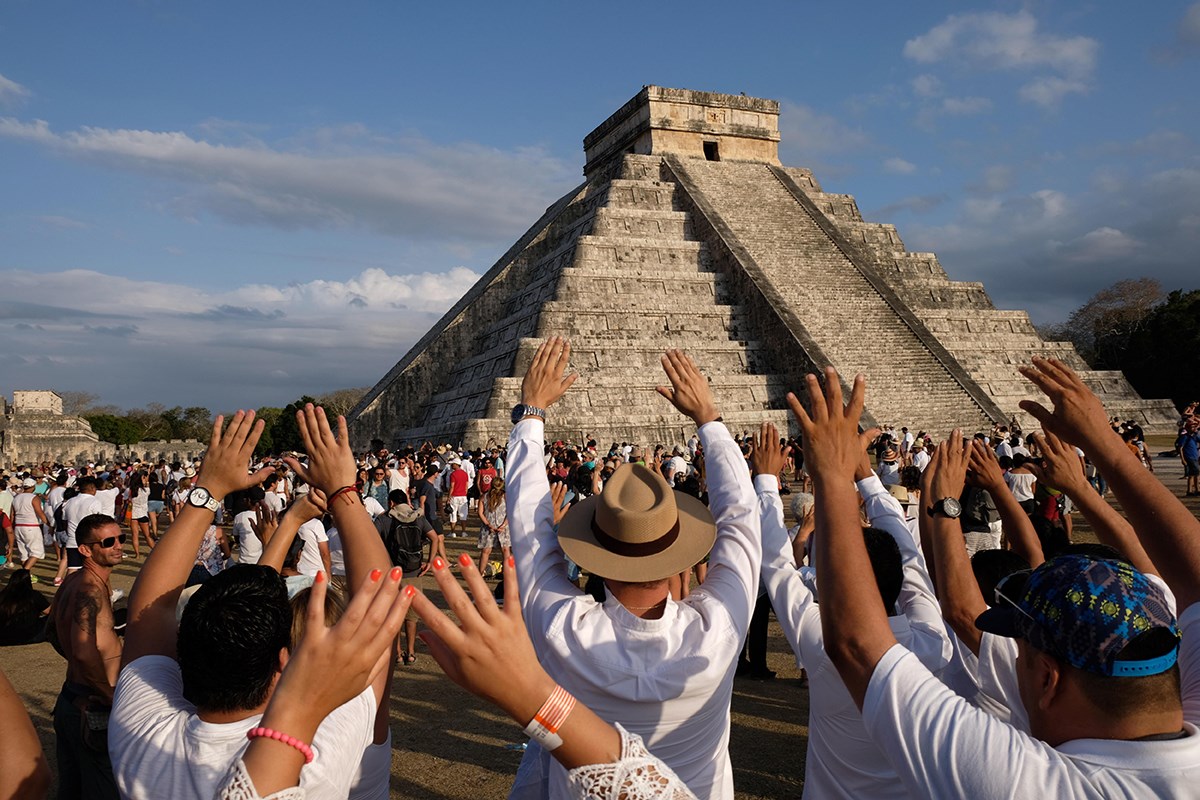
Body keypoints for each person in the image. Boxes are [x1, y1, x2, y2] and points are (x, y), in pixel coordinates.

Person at [793, 358, 1200, 798]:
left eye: (1020, 655)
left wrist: (834, 475)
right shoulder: (1168, 668)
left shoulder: (1030, 783)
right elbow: (1190, 575)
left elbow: (858, 644)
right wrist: (1095, 462)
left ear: (1048, 679)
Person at [509, 339, 759, 800]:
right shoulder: (719, 630)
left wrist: (531, 415)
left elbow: (528, 530)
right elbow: (743, 518)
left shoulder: (564, 630)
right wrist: (709, 419)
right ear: (677, 552)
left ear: (597, 552)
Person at [109, 406, 396, 800]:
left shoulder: (142, 735)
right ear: (284, 661)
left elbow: (150, 612)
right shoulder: (317, 754)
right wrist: (344, 492)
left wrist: (205, 491)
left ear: (184, 649)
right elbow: (379, 614)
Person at [754, 420, 952, 797]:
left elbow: (779, 568)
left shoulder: (824, 641)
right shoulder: (932, 639)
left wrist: (766, 481)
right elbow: (909, 561)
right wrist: (866, 477)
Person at [50, 513, 124, 800]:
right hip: (91, 704)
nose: (117, 546)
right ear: (85, 550)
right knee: (102, 789)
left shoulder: (73, 581)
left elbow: (53, 630)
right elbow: (83, 650)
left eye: (121, 538)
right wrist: (106, 693)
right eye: (108, 542)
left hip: (71, 697)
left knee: (71, 787)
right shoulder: (90, 589)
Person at [373, 492, 436, 666]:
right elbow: (434, 537)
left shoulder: (384, 519)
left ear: (391, 502)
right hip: (413, 571)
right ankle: (411, 652)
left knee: (393, 615)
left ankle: (398, 653)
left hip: (392, 573)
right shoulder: (417, 516)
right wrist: (429, 561)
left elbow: (372, 541)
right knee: (412, 616)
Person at [0, 568, 50, 645]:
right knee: (50, 619)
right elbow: (50, 612)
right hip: (29, 636)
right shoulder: (34, 595)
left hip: (4, 636)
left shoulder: (3, 595)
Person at [10, 478, 47, 574]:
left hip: (18, 526)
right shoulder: (34, 498)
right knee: (37, 552)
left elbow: (12, 515)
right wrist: (47, 522)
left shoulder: (16, 498)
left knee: (24, 553)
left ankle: (26, 574)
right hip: (31, 526)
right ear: (33, 487)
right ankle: (24, 573)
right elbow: (39, 512)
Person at [477, 477, 510, 575]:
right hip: (502, 527)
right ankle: (506, 573)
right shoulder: (506, 496)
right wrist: (504, 525)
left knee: (486, 551)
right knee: (505, 550)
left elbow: (480, 513)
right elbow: (510, 512)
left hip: (488, 527)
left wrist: (488, 524)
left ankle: (480, 573)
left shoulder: (484, 496)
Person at [128, 471, 155, 559]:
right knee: (147, 535)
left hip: (133, 514)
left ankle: (137, 554)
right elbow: (148, 487)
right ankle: (155, 551)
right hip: (143, 513)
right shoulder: (146, 490)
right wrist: (145, 482)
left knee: (135, 535)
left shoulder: (130, 490)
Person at [447, 459, 470, 537]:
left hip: (455, 496)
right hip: (463, 496)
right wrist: (465, 494)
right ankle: (463, 531)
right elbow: (466, 486)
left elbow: (452, 486)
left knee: (453, 514)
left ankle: (453, 532)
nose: (451, 465)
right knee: (463, 515)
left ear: (456, 464)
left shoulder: (453, 474)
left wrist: (448, 497)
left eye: (453, 464)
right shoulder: (465, 474)